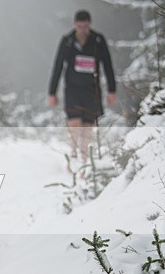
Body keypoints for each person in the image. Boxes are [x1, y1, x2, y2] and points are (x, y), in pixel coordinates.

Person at [48, 10, 116, 163]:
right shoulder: (68, 41)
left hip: (91, 89)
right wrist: (52, 92)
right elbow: (58, 66)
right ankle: (73, 154)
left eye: (85, 27)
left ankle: (84, 159)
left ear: (89, 25)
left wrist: (112, 90)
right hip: (72, 89)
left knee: (87, 126)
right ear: (75, 25)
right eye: (79, 27)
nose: (82, 30)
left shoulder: (98, 40)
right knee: (74, 122)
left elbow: (107, 65)